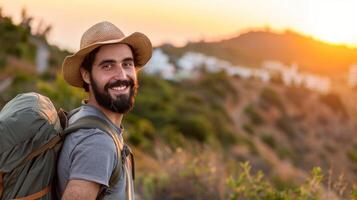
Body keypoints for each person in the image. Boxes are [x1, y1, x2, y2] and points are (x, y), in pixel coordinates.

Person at [56, 21, 152, 200]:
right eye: (107, 66)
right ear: (86, 75)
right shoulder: (97, 142)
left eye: (127, 64)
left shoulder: (80, 115)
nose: (122, 76)